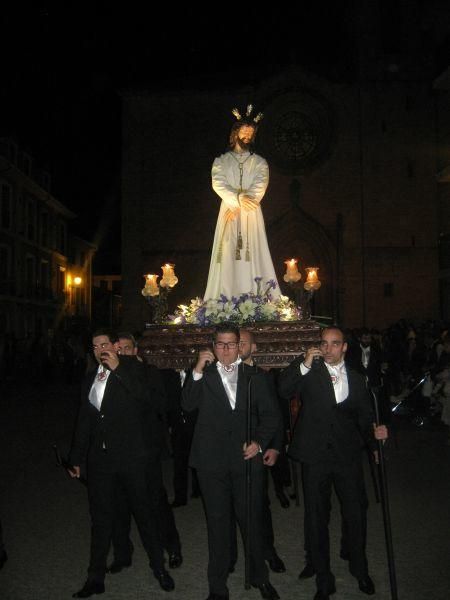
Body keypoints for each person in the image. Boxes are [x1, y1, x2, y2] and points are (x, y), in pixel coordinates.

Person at [278, 327, 388, 600]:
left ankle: (359, 567)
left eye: (334, 344)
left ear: (344, 348)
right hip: (315, 456)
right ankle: (323, 577)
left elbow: (365, 418)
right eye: (324, 343)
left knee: (356, 511)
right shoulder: (308, 372)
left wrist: (375, 443)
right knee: (316, 516)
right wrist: (302, 363)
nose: (328, 348)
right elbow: (283, 389)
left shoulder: (358, 378)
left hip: (347, 455)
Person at [69, 329, 174, 597]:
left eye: (104, 344)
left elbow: (150, 402)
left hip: (132, 459)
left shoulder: (136, 370)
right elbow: (85, 418)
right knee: (101, 518)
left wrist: (119, 369)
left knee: (145, 515)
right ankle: (95, 577)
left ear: (115, 346)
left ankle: (159, 568)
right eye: (94, 346)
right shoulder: (91, 376)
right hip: (101, 460)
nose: (99, 349)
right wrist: (77, 457)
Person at [182, 324, 281, 600]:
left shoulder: (255, 377)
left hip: (245, 461)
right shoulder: (203, 375)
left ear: (240, 346)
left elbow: (271, 416)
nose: (225, 350)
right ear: (213, 346)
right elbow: (187, 405)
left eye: (230, 344)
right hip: (210, 463)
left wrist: (259, 442)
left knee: (251, 521)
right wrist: (198, 371)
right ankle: (217, 585)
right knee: (217, 524)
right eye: (220, 344)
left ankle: (260, 577)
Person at [105, 333, 183, 574]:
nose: (123, 353)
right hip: (119, 450)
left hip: (146, 450)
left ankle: (172, 547)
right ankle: (122, 554)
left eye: (127, 348)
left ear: (136, 350)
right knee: (119, 504)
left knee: (156, 502)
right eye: (119, 349)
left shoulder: (149, 372)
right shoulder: (106, 373)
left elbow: (157, 403)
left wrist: (124, 371)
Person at [204, 105, 280, 301]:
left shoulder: (260, 162)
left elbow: (259, 184)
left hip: (250, 212)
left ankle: (254, 297)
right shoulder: (220, 161)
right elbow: (218, 183)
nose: (247, 137)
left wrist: (241, 203)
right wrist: (236, 199)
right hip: (228, 210)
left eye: (250, 134)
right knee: (227, 251)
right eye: (244, 132)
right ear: (235, 133)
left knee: (251, 250)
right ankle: (225, 297)